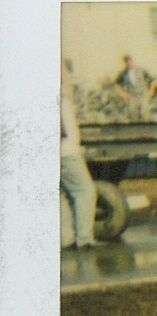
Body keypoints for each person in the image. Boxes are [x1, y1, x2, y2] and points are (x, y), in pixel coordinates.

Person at [60, 59, 98, 249]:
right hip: (65, 152)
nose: (68, 74)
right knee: (85, 192)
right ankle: (84, 239)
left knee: (63, 195)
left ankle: (65, 239)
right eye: (65, 70)